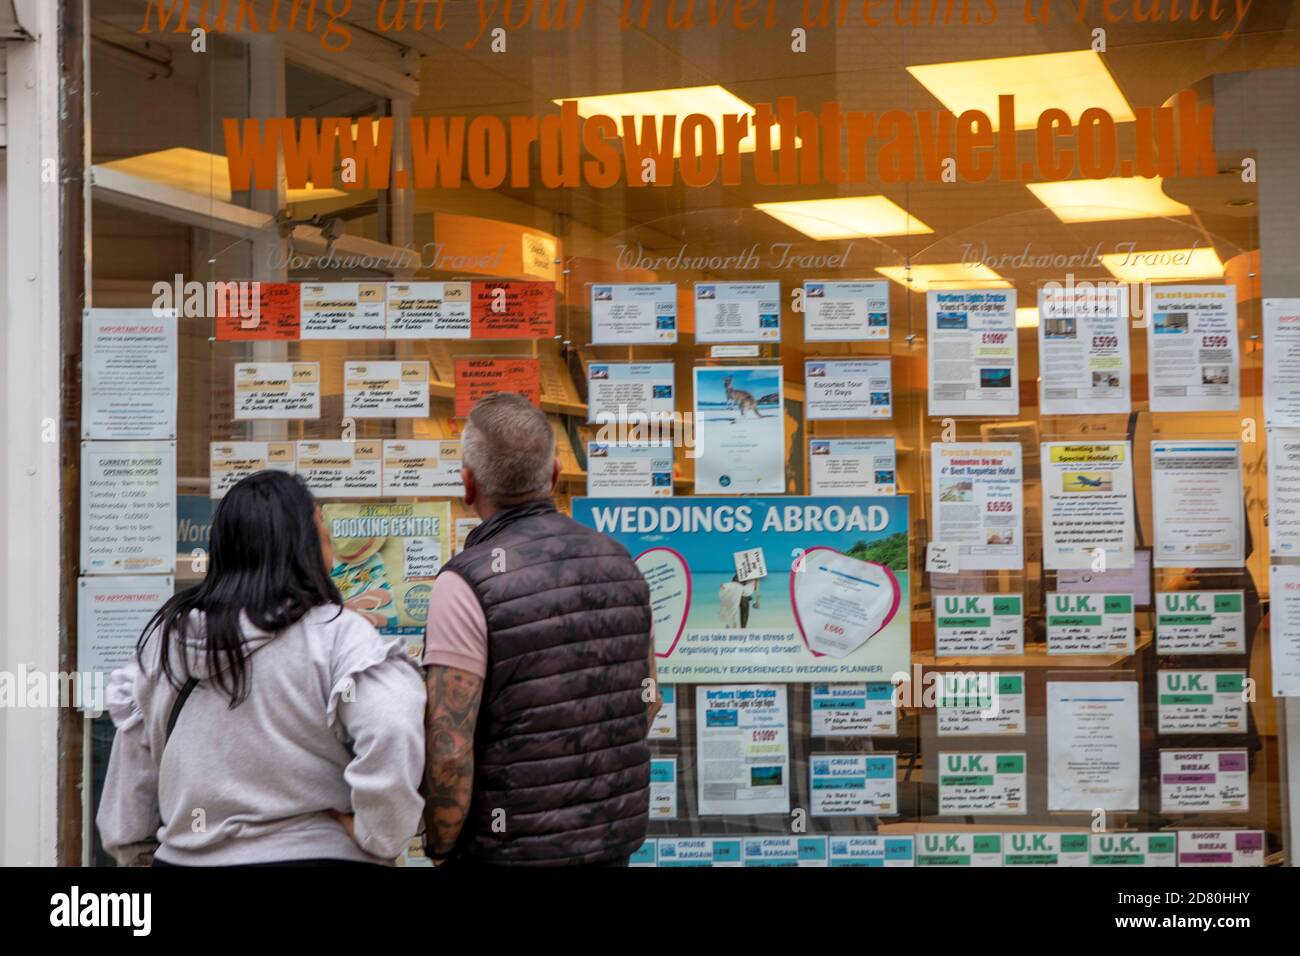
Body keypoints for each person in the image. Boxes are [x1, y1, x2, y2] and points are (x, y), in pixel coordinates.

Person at [96, 471, 426, 866]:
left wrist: (138, 855)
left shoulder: (167, 642)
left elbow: (131, 782)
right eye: (323, 529)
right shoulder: (338, 635)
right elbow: (393, 725)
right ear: (304, 545)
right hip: (315, 855)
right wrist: (380, 835)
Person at [421, 392, 658, 866]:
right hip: (610, 843)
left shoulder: (466, 582)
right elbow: (648, 702)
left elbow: (450, 747)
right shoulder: (621, 563)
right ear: (552, 478)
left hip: (506, 851)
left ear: (467, 485)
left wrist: (442, 845)